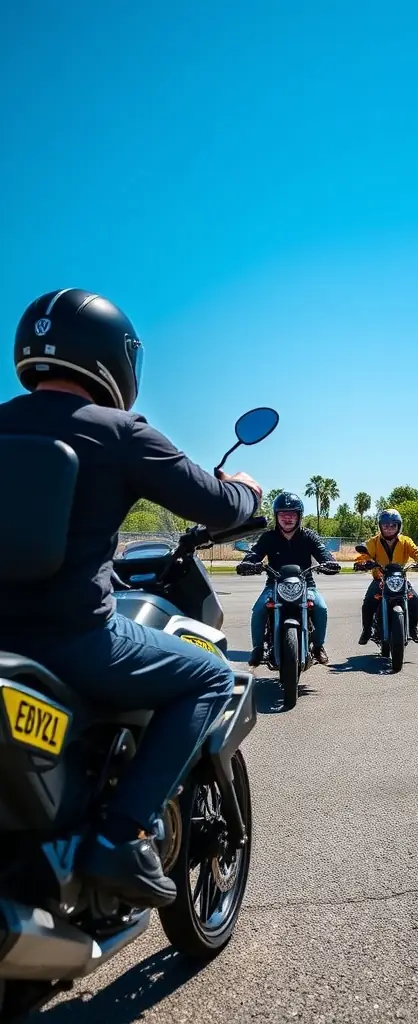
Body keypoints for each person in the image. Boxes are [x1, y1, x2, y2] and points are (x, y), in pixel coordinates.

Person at [0, 289, 263, 909]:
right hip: (78, 641)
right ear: (115, 358)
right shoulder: (120, 433)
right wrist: (246, 490)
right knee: (207, 676)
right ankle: (122, 835)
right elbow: (217, 505)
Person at [236, 492, 340, 665]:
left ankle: (318, 646)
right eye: (283, 514)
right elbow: (255, 553)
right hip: (275, 585)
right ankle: (258, 648)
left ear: (299, 516)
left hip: (307, 585)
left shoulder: (309, 536)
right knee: (259, 609)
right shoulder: (268, 537)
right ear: (276, 516)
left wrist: (329, 563)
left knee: (321, 607)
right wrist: (248, 563)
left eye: (292, 514)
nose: (288, 518)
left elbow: (323, 553)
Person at [354, 509, 418, 644]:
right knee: (368, 602)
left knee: (415, 600)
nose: (389, 528)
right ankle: (366, 630)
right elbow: (364, 554)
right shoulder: (373, 542)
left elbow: (417, 552)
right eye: (385, 525)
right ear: (380, 526)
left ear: (398, 526)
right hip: (380, 579)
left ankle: (413, 629)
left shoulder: (406, 541)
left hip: (400, 579)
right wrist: (363, 562)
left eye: (393, 525)